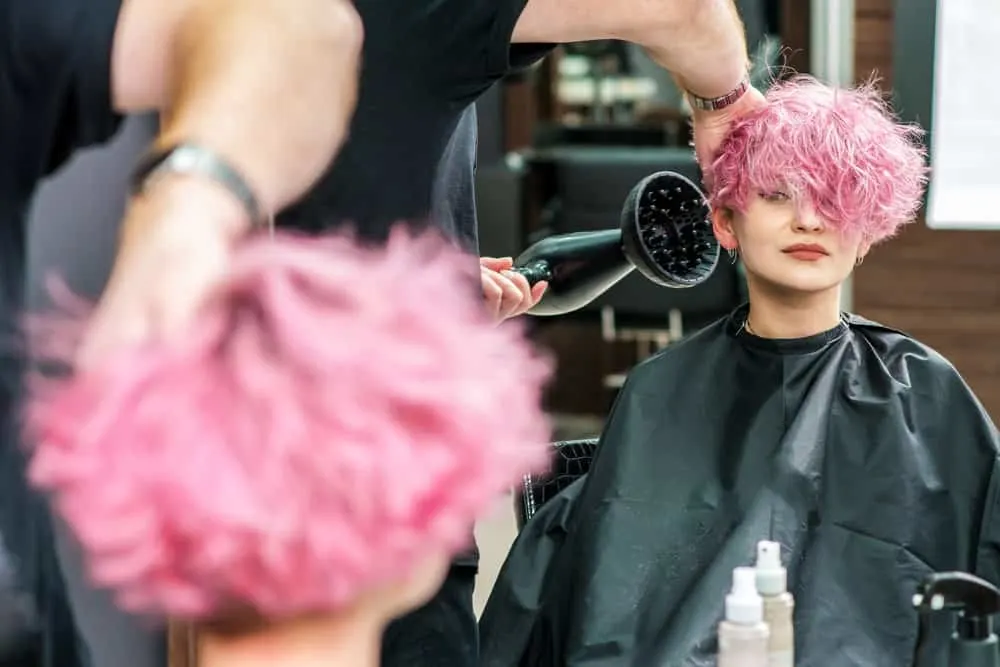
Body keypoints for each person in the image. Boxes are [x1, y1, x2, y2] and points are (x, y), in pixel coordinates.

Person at [2, 0, 763, 665]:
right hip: (342, 502)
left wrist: (188, 220)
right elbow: (685, 10)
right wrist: (724, 98)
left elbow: (275, 34)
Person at [478, 76, 1000, 667]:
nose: (808, 219)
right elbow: (601, 594)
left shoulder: (922, 389)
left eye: (834, 200)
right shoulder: (661, 390)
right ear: (725, 223)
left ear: (865, 237)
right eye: (778, 194)